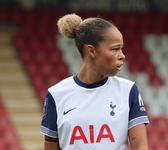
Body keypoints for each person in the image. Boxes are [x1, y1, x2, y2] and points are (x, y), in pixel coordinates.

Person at [41, 13, 149, 150]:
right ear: (91, 51)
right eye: (115, 49)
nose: (122, 56)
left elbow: (140, 146)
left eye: (121, 48)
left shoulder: (128, 90)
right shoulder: (55, 94)